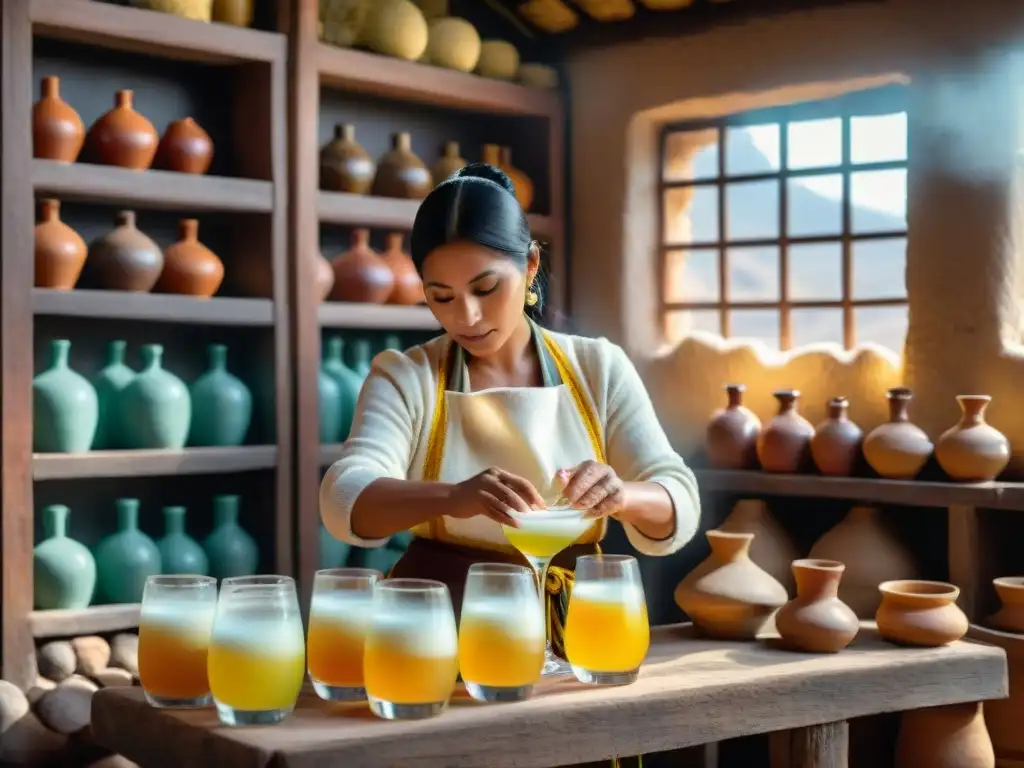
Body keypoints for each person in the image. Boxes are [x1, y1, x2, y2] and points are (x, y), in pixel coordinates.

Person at [320, 163, 701, 661]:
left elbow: (678, 499)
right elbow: (345, 496)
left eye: (485, 288)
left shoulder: (597, 366)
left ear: (530, 267)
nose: (467, 317)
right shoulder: (407, 376)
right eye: (442, 298)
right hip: (440, 630)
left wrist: (621, 494)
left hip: (580, 625)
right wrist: (452, 496)